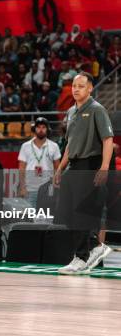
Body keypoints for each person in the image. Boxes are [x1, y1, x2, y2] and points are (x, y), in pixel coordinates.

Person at [54, 72, 114, 275]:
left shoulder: (97, 109)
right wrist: (60, 168)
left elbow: (107, 140)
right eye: (74, 85)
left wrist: (105, 167)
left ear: (90, 88)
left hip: (90, 164)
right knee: (68, 213)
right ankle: (94, 248)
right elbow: (70, 143)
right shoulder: (71, 111)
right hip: (73, 165)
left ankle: (81, 257)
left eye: (81, 85)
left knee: (81, 213)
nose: (76, 89)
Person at [18, 118, 61, 207]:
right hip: (30, 188)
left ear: (47, 129)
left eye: (43, 127)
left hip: (47, 188)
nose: (41, 130)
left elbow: (57, 168)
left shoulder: (54, 146)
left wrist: (56, 184)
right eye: (38, 127)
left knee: (46, 217)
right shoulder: (25, 146)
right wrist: (22, 187)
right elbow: (22, 168)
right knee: (30, 217)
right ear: (34, 129)